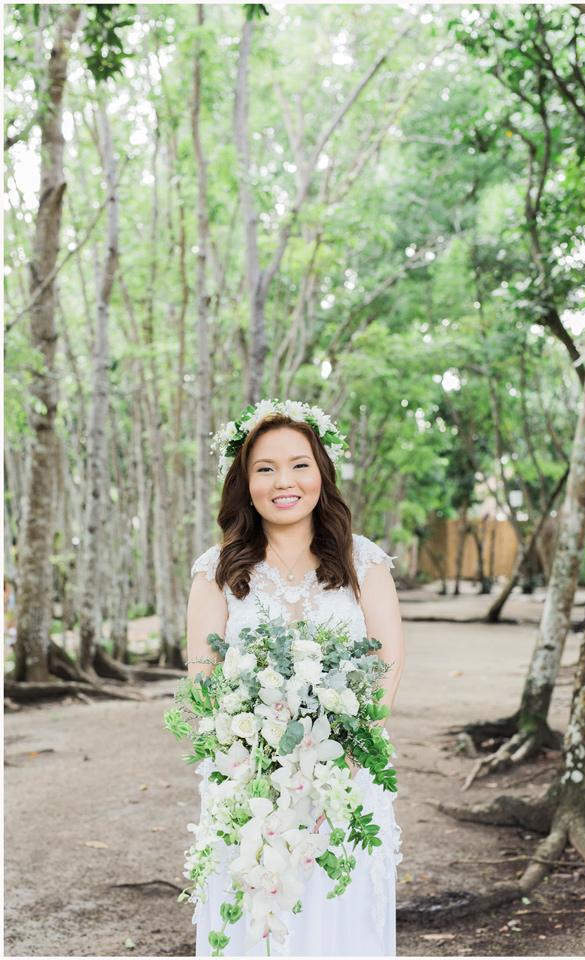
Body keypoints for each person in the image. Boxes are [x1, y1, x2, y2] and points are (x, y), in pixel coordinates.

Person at [186, 400, 405, 957]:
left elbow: (389, 659)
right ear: (245, 481)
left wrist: (353, 747)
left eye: (299, 464)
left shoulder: (365, 563)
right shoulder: (217, 569)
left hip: (343, 773)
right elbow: (202, 671)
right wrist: (247, 752)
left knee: (338, 906)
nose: (284, 481)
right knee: (253, 909)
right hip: (247, 780)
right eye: (265, 468)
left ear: (321, 474)